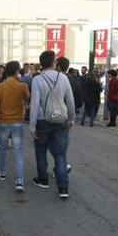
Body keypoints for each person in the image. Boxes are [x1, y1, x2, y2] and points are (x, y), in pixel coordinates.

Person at [30, 50, 75, 199]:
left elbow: (34, 104)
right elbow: (70, 101)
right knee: (60, 154)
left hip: (42, 121)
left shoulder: (37, 79)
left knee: (41, 151)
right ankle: (63, 188)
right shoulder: (63, 78)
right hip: (60, 120)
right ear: (53, 63)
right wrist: (71, 119)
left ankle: (43, 180)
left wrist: (32, 126)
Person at [0, 61, 29, 192]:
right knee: (18, 151)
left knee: (2, 148)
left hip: (3, 122)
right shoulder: (23, 86)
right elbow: (26, 101)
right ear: (17, 71)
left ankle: (1, 172)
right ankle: (19, 180)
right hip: (17, 122)